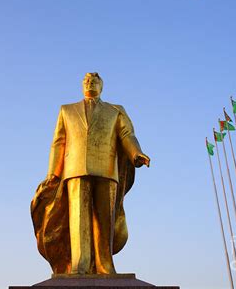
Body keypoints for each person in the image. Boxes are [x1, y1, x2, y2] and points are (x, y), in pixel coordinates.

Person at [31, 72, 149, 275]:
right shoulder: (66, 110)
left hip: (106, 170)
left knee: (105, 220)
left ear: (101, 86)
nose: (89, 83)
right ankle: (80, 265)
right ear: (81, 85)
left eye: (94, 81)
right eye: (86, 80)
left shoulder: (115, 110)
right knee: (78, 219)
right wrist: (53, 172)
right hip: (74, 170)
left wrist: (136, 153)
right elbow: (58, 142)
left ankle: (105, 265)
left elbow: (126, 134)